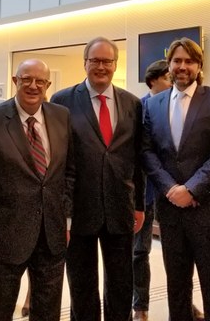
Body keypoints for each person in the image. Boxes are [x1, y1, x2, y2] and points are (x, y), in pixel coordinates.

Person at [0, 59, 75, 321]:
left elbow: (69, 173)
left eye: (40, 81)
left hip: (51, 235)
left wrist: (66, 220)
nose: (33, 86)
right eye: (26, 79)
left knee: (48, 312)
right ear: (15, 81)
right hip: (3, 238)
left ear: (48, 85)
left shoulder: (61, 116)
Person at [50, 37, 145, 321]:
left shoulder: (132, 103)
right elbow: (58, 160)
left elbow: (137, 158)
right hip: (78, 209)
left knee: (121, 282)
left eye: (107, 61)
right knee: (81, 284)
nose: (101, 67)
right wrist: (62, 211)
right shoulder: (62, 101)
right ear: (85, 63)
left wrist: (139, 205)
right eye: (95, 61)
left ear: (115, 64)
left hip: (120, 207)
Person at [143, 37, 210, 321]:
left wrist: (192, 189)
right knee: (177, 287)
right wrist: (171, 189)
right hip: (170, 212)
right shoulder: (153, 105)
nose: (182, 67)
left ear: (199, 65)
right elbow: (147, 152)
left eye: (189, 61)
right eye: (177, 61)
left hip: (208, 211)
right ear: (169, 65)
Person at [133, 60, 171, 321]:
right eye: (167, 77)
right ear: (153, 81)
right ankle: (140, 306)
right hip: (145, 194)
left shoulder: (176, 106)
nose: (171, 82)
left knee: (176, 255)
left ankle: (182, 302)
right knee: (140, 252)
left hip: (171, 193)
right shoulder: (138, 109)